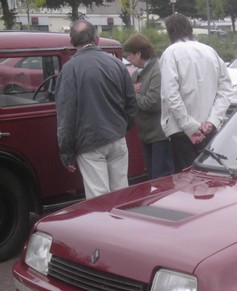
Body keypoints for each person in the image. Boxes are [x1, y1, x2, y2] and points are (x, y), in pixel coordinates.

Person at [55, 19, 137, 199]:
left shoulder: (69, 70)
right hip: (117, 137)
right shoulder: (117, 64)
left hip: (89, 141)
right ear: (97, 39)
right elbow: (131, 103)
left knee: (98, 198)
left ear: (72, 42)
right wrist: (123, 127)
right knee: (121, 193)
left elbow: (66, 115)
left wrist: (66, 152)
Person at [160, 13, 233, 172]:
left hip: (182, 131)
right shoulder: (210, 52)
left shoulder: (170, 53)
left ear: (169, 31)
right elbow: (226, 89)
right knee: (211, 177)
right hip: (209, 130)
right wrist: (213, 120)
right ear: (190, 29)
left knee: (187, 181)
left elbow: (170, 95)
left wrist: (189, 126)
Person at [123, 33, 173, 180]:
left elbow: (153, 103)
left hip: (159, 135)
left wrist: (133, 93)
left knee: (160, 178)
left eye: (130, 55)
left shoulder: (157, 71)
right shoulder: (138, 73)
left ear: (139, 54)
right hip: (146, 134)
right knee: (152, 177)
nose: (129, 59)